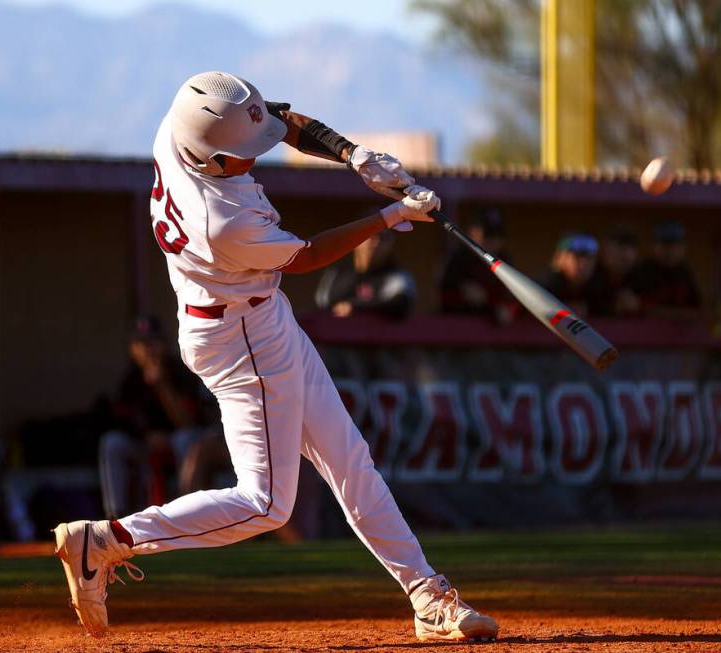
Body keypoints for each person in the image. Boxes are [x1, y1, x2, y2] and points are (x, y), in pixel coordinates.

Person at [53, 71, 498, 643]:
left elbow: (279, 117)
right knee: (265, 504)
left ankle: (426, 595)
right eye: (241, 155)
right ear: (211, 160)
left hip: (258, 316)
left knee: (349, 459)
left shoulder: (178, 128)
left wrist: (353, 155)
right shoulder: (221, 221)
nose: (254, 159)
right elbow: (309, 256)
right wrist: (391, 217)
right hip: (239, 340)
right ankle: (112, 539)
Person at [98, 316, 215, 518]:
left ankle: (186, 515)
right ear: (133, 349)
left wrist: (162, 386)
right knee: (112, 443)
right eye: (142, 343)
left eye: (153, 342)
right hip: (145, 444)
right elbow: (121, 421)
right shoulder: (130, 380)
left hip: (179, 442)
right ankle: (115, 517)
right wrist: (146, 437)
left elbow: (188, 423)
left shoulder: (182, 372)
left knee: (183, 440)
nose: (148, 349)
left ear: (164, 344)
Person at [314, 228, 417, 319]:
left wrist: (356, 306)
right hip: (339, 338)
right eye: (370, 236)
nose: (375, 243)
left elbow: (400, 305)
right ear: (356, 240)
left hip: (381, 338)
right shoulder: (337, 271)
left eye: (383, 237)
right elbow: (322, 303)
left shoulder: (398, 275)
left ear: (391, 244)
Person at [438, 207, 518, 323]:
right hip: (461, 326)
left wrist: (507, 308)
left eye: (497, 235)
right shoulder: (459, 259)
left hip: (496, 330)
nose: (493, 240)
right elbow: (443, 298)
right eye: (488, 235)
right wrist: (462, 294)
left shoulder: (504, 260)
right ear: (472, 232)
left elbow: (512, 300)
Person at [633, 220, 701, 318]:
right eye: (665, 246)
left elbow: (697, 309)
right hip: (646, 331)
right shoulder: (643, 271)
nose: (670, 251)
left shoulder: (684, 273)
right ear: (654, 247)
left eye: (675, 246)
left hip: (679, 332)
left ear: (683, 248)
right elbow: (644, 310)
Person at [541, 233, 602, 317]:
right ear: (559, 258)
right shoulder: (544, 287)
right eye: (577, 257)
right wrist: (563, 312)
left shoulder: (601, 286)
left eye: (590, 258)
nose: (584, 263)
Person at [591, 223, 643, 317]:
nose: (625, 252)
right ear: (604, 250)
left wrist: (640, 306)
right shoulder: (591, 275)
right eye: (619, 246)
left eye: (630, 246)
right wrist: (612, 307)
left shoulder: (643, 276)